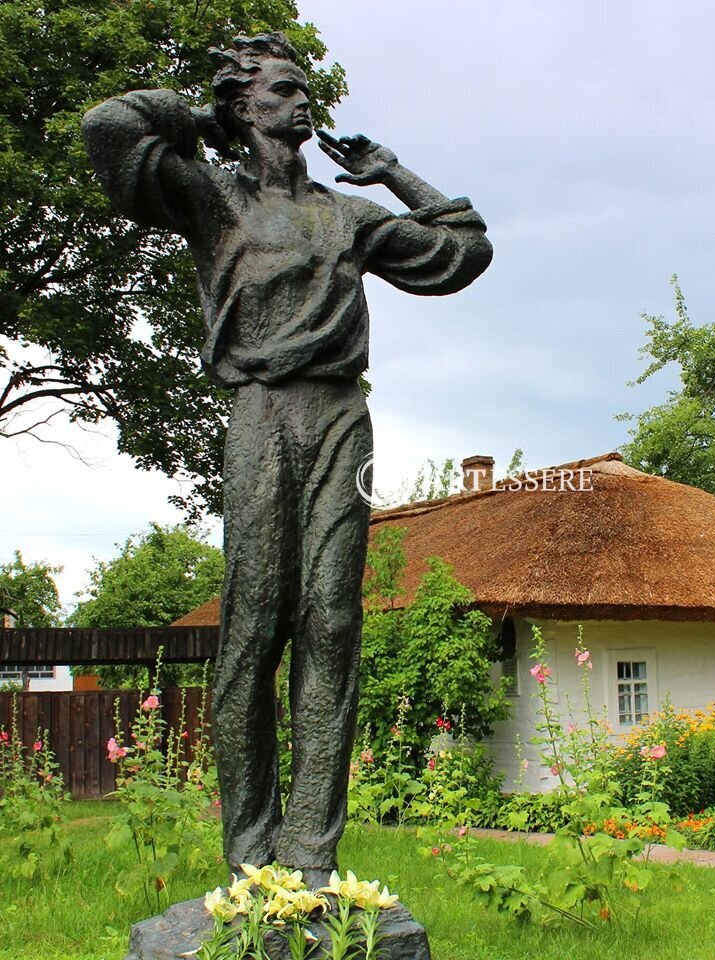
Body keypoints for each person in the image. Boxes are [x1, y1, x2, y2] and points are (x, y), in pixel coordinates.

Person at [82, 32, 491, 884]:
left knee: (332, 627)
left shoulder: (346, 216)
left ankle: (309, 853)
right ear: (245, 107)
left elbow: (462, 250)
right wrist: (206, 117)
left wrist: (390, 171)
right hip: (260, 415)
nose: (303, 101)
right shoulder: (213, 200)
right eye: (282, 89)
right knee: (255, 626)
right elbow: (110, 125)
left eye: (304, 88)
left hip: (342, 415)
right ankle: (248, 856)